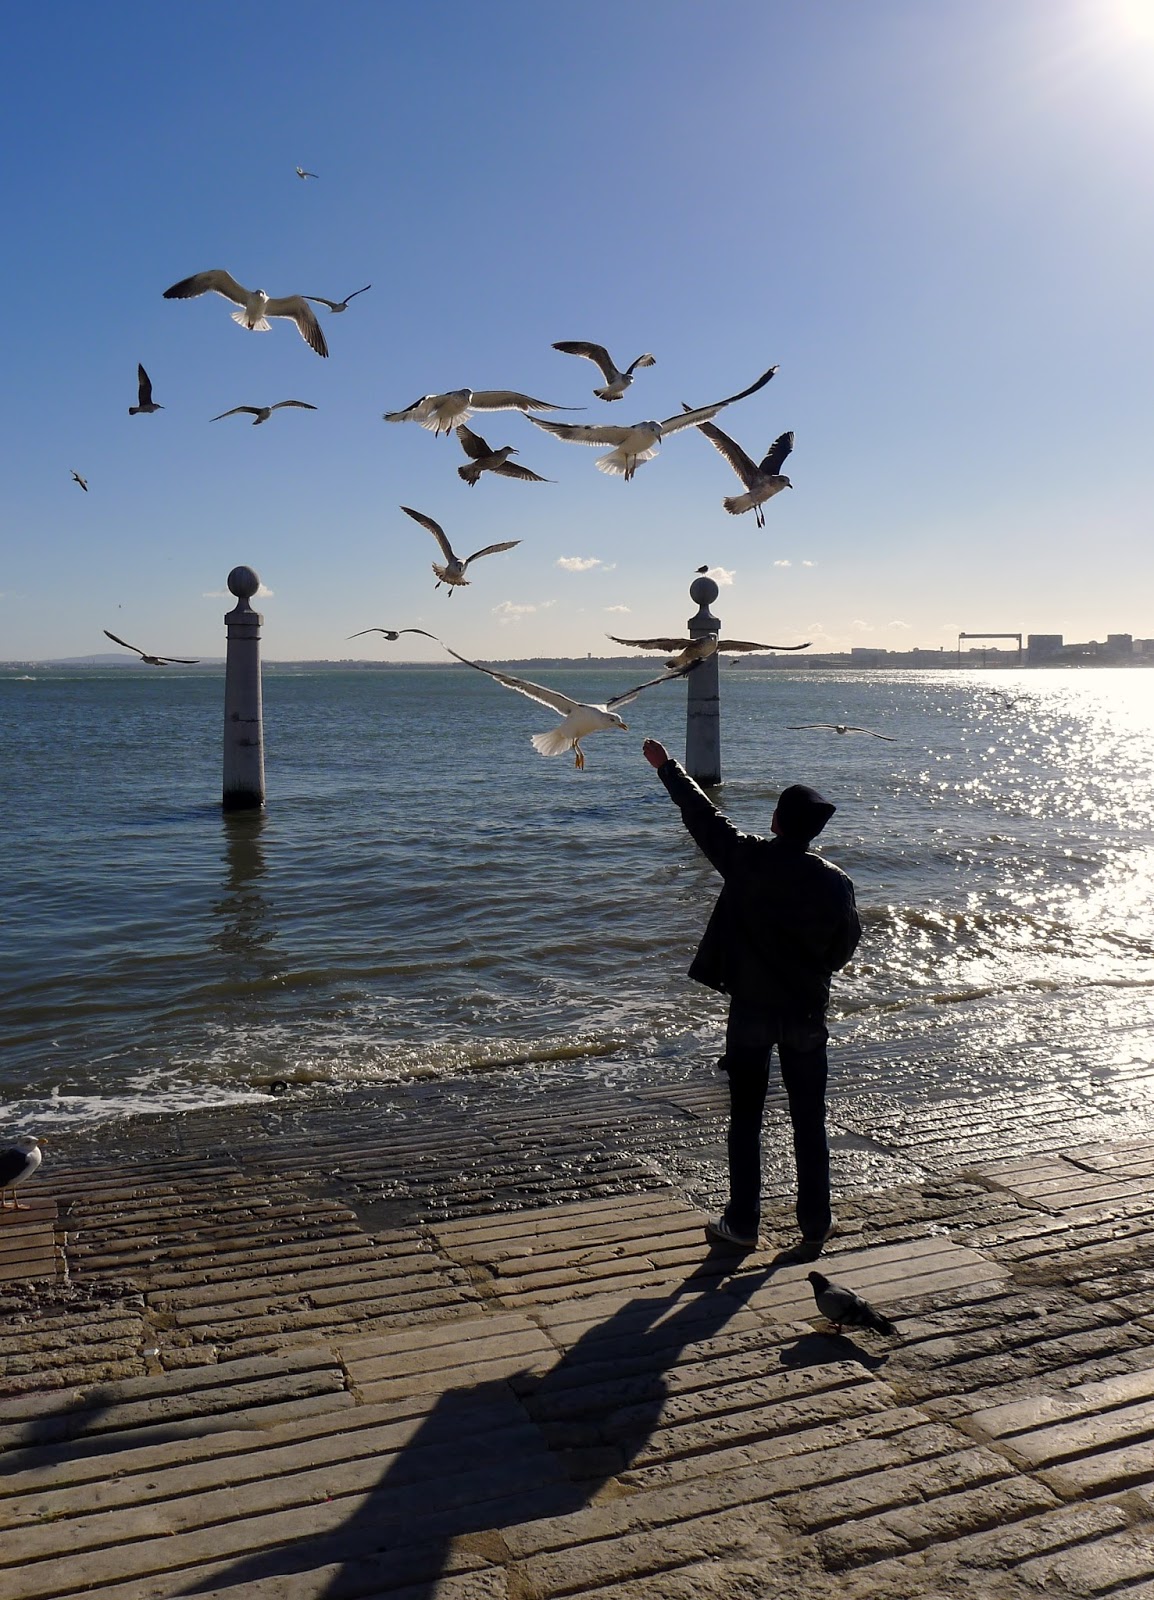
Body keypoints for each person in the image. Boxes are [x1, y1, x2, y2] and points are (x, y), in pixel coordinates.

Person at [642, 739, 861, 1256]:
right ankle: (815, 1223)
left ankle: (742, 1223)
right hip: (806, 1012)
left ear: (776, 821)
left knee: (746, 1118)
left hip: (751, 1011)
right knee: (809, 1120)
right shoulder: (836, 882)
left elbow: (702, 816)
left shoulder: (747, 859)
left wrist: (667, 766)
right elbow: (843, 948)